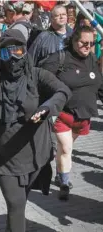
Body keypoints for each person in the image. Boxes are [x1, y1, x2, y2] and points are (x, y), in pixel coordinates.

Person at [0, 29, 72, 232]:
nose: (13, 57)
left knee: (22, 198)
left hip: (34, 154)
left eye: (18, 50)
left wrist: (47, 108)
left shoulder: (37, 75)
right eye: (6, 52)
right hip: (4, 156)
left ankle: (11, 227)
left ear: (25, 51)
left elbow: (63, 91)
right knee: (16, 203)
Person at [40, 26, 103, 200]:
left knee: (65, 149)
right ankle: (65, 183)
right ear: (74, 40)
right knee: (66, 147)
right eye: (84, 42)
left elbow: (99, 85)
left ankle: (60, 173)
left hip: (83, 116)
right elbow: (39, 76)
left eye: (91, 44)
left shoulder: (91, 59)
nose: (87, 47)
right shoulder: (59, 58)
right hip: (62, 114)